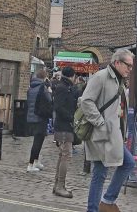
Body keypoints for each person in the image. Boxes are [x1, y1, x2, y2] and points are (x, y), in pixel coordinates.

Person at [81, 48, 135, 212]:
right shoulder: (101, 77)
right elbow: (86, 101)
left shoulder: (119, 80)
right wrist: (100, 123)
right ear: (117, 62)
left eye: (131, 66)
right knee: (100, 173)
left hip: (113, 134)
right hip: (101, 134)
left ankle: (107, 201)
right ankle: (96, 207)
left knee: (127, 163)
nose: (130, 69)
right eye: (128, 65)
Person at [52, 66, 79, 198]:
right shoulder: (63, 88)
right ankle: (60, 186)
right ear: (72, 76)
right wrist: (71, 118)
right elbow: (58, 107)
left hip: (64, 126)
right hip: (64, 126)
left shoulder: (65, 87)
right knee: (66, 156)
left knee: (62, 155)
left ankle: (57, 184)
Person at [26, 68, 53, 173]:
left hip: (31, 116)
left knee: (39, 140)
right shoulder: (43, 88)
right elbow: (49, 100)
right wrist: (50, 91)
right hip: (40, 117)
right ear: (45, 77)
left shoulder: (31, 87)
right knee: (37, 141)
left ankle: (36, 161)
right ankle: (30, 164)